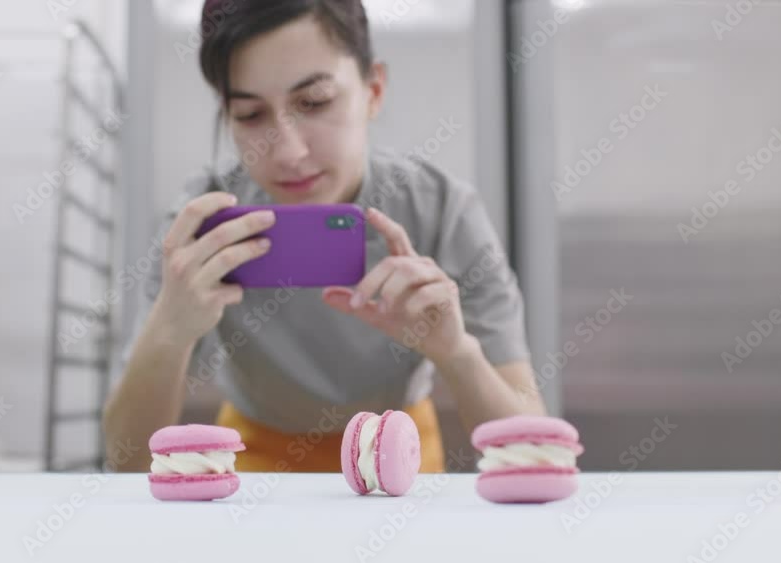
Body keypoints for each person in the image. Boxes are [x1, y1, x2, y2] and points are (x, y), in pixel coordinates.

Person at [102, 0, 545, 473]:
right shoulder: (201, 223)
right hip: (257, 461)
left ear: (373, 90)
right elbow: (126, 459)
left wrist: (457, 354)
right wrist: (171, 330)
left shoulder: (441, 209)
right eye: (251, 115)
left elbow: (531, 454)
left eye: (314, 103)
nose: (289, 152)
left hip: (396, 453)